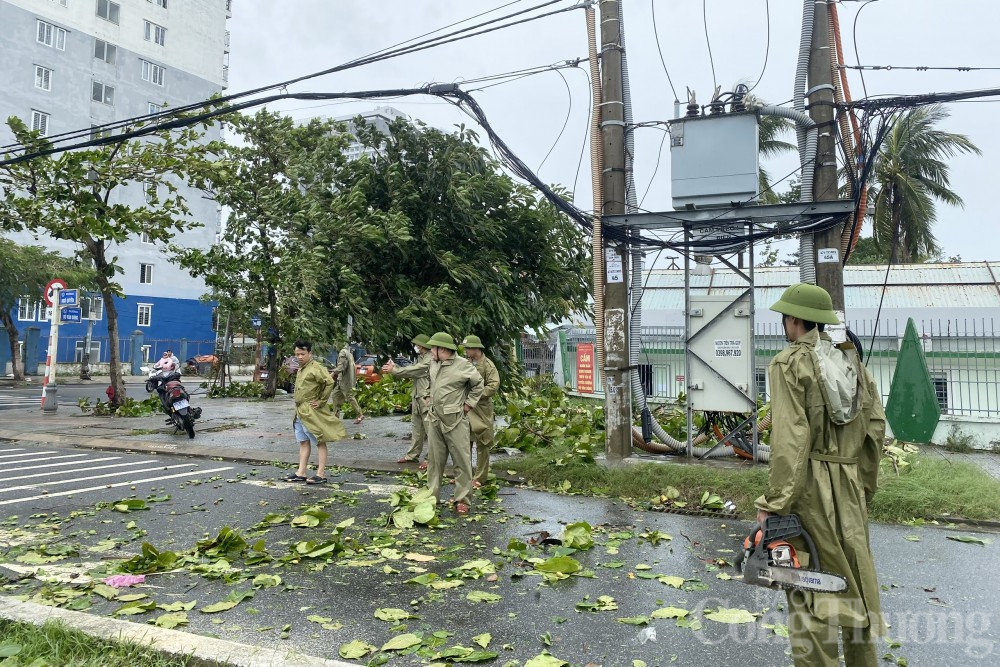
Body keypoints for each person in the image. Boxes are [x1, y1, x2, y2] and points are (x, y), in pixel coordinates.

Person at [756, 283, 886, 666]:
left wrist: (774, 503)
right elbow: (875, 430)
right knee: (856, 585)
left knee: (808, 590)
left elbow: (790, 441)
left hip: (808, 489)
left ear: (794, 320)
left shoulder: (789, 363)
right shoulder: (853, 364)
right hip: (849, 487)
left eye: (785, 317)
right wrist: (862, 487)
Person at [424, 331, 483, 515]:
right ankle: (432, 498)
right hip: (435, 419)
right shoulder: (433, 364)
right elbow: (428, 380)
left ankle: (462, 499)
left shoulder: (463, 365)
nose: (430, 350)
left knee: (462, 461)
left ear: (442, 349)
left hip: (456, 420)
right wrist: (427, 395)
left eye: (433, 347)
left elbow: (478, 384)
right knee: (434, 462)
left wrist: (468, 405)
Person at [284, 340, 347, 485]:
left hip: (311, 411)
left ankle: (320, 473)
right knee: (303, 441)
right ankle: (301, 472)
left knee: (319, 441)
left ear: (310, 353)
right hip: (300, 411)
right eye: (297, 354)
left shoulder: (316, 367)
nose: (299, 357)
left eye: (302, 354)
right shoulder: (302, 368)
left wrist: (321, 401)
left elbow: (329, 382)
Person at [383, 334, 432, 466]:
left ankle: (431, 458)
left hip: (426, 398)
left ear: (421, 345)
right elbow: (412, 371)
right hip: (417, 397)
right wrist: (396, 368)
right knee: (417, 429)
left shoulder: (430, 359)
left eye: (417, 344)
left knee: (431, 431)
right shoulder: (421, 358)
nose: (415, 346)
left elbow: (414, 370)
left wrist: (395, 370)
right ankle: (412, 455)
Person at [461, 335, 500, 488]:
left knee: (482, 443)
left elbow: (493, 386)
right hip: (465, 407)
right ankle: (465, 475)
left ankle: (480, 477)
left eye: (467, 349)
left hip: (481, 409)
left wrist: (475, 395)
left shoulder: (488, 365)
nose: (465, 351)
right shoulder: (465, 363)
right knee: (465, 442)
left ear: (476, 349)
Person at [330, 342, 364, 424]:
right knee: (335, 395)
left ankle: (359, 414)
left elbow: (341, 367)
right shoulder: (349, 353)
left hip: (345, 381)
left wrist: (333, 373)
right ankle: (336, 414)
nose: (335, 346)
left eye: (336, 344)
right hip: (344, 380)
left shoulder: (343, 352)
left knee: (349, 397)